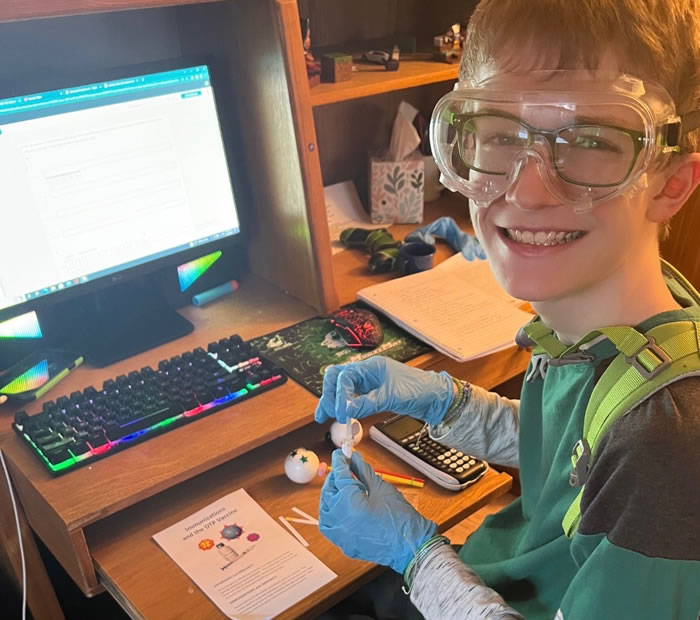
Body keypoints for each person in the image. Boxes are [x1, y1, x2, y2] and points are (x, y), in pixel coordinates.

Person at [314, 1, 700, 618]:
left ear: (670, 182)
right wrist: (447, 403)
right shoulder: (609, 326)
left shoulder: (670, 449)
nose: (526, 190)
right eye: (499, 135)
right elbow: (579, 461)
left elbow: (620, 463)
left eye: (590, 142)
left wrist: (417, 556)